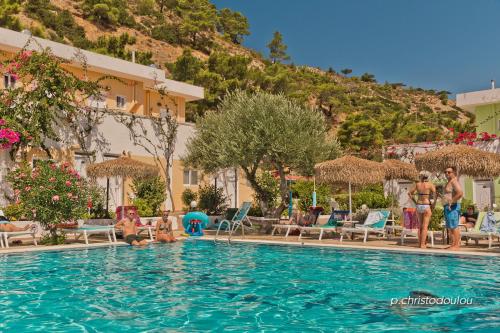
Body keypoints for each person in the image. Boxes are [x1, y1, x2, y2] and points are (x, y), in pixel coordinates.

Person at [408, 171, 436, 248]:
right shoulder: (430, 184)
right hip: (426, 205)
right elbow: (435, 195)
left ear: (420, 176)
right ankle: (423, 244)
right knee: (425, 226)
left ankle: (420, 243)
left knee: (420, 226)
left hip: (419, 205)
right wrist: (433, 204)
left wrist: (415, 202)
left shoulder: (417, 184)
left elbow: (409, 193)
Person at [443, 166, 464, 250]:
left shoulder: (454, 181)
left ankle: (456, 245)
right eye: (445, 172)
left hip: (453, 207)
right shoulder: (449, 182)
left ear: (454, 173)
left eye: (449, 172)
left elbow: (460, 193)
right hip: (448, 207)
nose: (447, 173)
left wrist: (452, 201)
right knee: (450, 226)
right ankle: (453, 244)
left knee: (454, 226)